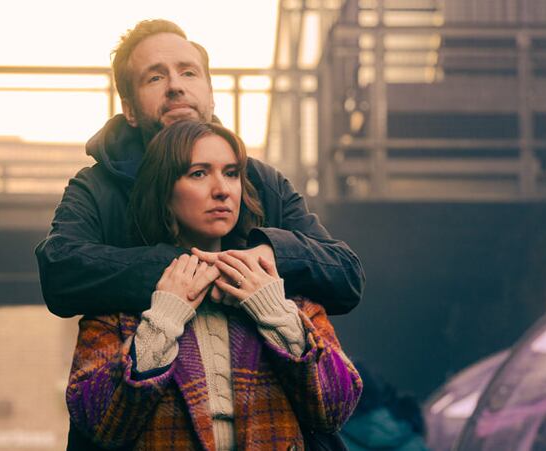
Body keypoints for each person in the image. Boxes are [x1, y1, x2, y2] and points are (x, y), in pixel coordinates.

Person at [35, 19, 365, 319]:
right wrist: (195, 269)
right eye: (155, 77)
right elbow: (60, 271)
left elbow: (346, 274)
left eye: (189, 73)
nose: (175, 86)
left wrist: (269, 255)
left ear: (210, 94)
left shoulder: (262, 181)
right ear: (129, 110)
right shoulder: (97, 187)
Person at [67, 120, 362, 450]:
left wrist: (276, 313)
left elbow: (336, 409)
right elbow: (100, 426)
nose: (222, 189)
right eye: (198, 173)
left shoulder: (285, 290)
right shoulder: (120, 304)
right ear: (164, 192)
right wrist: (162, 321)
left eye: (232, 173)